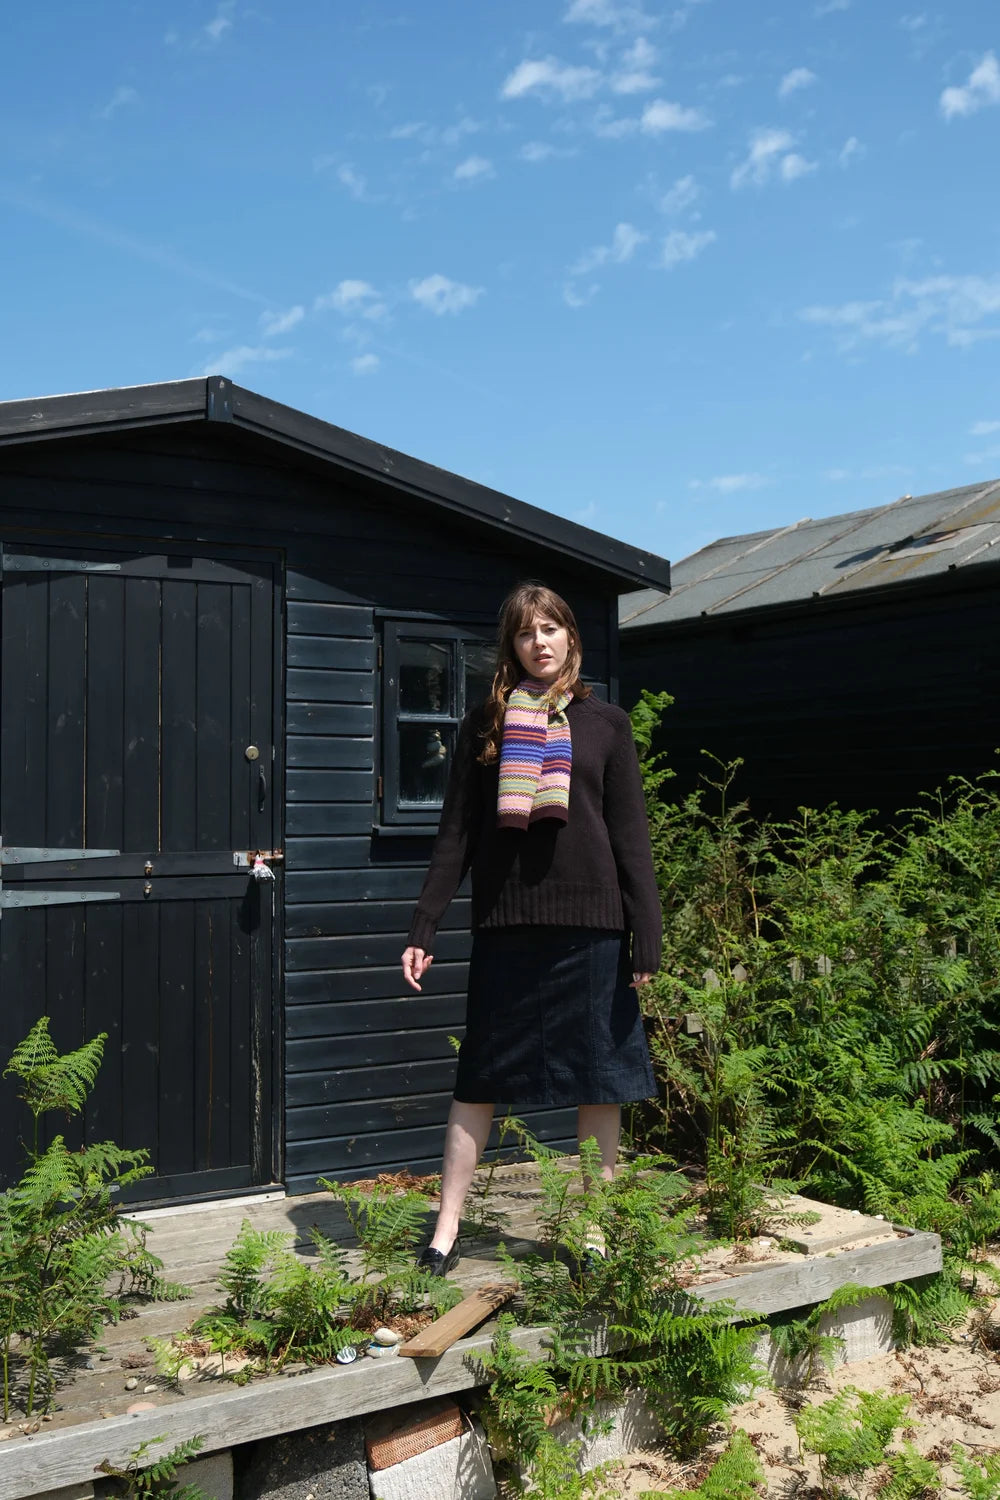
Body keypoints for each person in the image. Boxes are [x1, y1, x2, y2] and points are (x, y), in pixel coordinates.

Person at [400, 582, 662, 1275]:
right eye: (524, 632)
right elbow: (456, 836)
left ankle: (594, 1232)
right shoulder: (484, 726)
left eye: (549, 628)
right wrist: (424, 925)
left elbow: (631, 839)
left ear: (571, 635)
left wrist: (647, 931)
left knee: (598, 1081)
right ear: (510, 646)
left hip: (593, 929)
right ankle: (447, 1228)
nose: (538, 642)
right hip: (508, 923)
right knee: (478, 1078)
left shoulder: (607, 724)